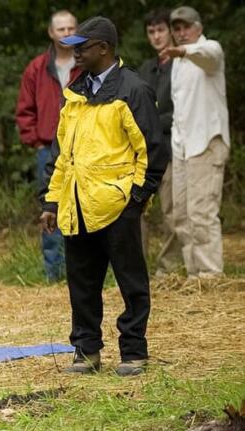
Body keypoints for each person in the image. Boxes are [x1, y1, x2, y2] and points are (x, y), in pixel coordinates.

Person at [41, 16, 169, 377]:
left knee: (131, 282)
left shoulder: (133, 89)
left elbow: (152, 152)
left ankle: (133, 352)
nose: (75, 51)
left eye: (83, 46)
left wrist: (136, 199)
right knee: (82, 284)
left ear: (104, 48)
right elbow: (62, 153)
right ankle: (87, 352)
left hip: (118, 207)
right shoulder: (75, 92)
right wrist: (51, 202)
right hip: (77, 205)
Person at [164, 6, 230, 280]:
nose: (181, 33)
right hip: (182, 146)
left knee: (202, 213)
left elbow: (209, 55)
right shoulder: (178, 62)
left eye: (186, 27)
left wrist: (184, 51)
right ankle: (195, 275)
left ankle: (210, 275)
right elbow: (180, 108)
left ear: (198, 27)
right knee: (181, 215)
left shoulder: (208, 49)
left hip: (206, 142)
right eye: (176, 29)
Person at [16, 10, 81, 282]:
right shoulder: (37, 67)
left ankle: (80, 272)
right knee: (50, 210)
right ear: (51, 33)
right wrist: (37, 140)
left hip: (83, 149)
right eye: (61, 29)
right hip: (48, 150)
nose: (66, 33)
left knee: (82, 210)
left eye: (70, 28)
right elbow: (24, 109)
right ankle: (52, 275)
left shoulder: (87, 63)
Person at [139, 8, 180, 275]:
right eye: (151, 31)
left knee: (172, 214)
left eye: (161, 30)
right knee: (136, 212)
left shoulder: (184, 65)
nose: (156, 36)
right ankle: (136, 269)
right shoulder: (145, 68)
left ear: (171, 31)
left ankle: (169, 269)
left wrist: (153, 120)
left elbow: (182, 112)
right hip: (145, 151)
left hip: (174, 148)